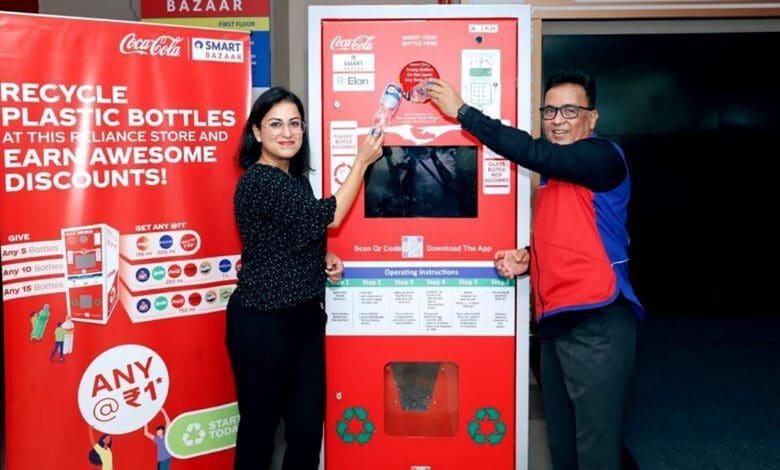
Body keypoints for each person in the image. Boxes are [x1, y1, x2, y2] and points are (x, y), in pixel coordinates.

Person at [428, 71, 645, 470]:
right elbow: (575, 236)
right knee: (563, 445)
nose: (557, 120)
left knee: (596, 449)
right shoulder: (555, 177)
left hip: (598, 323)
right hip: (556, 326)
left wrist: (463, 112)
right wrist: (529, 257)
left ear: (592, 117)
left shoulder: (602, 157)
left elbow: (535, 152)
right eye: (550, 111)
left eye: (570, 111)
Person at [226, 86, 383, 470]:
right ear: (257, 132)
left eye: (294, 124)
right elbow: (328, 216)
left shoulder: (295, 178)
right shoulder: (260, 180)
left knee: (307, 431)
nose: (287, 133)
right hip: (263, 324)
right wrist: (361, 162)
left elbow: (295, 231)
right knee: (259, 433)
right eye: (275, 124)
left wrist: (322, 255)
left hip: (303, 321)